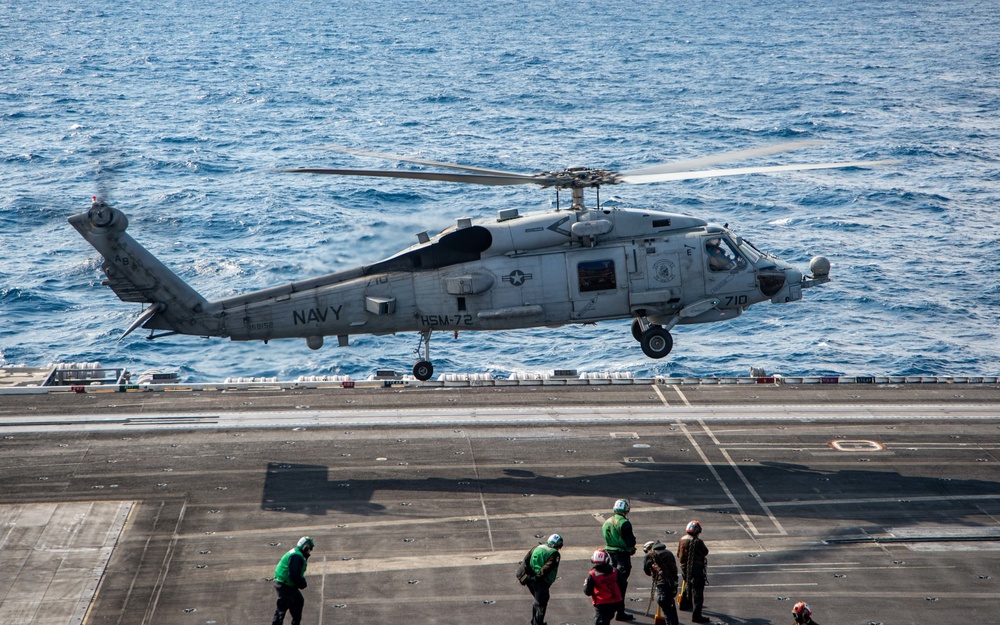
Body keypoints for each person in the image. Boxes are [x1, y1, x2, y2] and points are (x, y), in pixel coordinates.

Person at [601, 499, 636, 621]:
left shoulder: (606, 522)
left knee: (613, 580)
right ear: (626, 510)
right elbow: (631, 541)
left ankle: (614, 606)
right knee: (621, 583)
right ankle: (620, 612)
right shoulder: (625, 523)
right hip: (622, 554)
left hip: (611, 554)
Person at [271, 536, 314, 625]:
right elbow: (294, 575)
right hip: (285, 585)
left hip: (288, 584)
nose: (311, 551)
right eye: (310, 548)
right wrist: (302, 583)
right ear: (305, 547)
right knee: (281, 610)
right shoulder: (297, 556)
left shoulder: (297, 553)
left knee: (298, 602)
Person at [524, 533, 563, 625]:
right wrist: (537, 578)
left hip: (530, 579)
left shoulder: (537, 547)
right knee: (542, 603)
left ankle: (535, 621)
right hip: (540, 581)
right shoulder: (554, 553)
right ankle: (537, 623)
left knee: (538, 600)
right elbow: (547, 567)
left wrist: (528, 576)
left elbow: (526, 561)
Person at [677, 520, 710, 623]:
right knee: (698, 591)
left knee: (688, 583)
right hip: (696, 569)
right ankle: (697, 615)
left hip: (684, 567)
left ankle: (684, 603)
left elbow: (679, 553)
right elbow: (705, 551)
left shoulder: (682, 540)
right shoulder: (698, 542)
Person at [642, 541, 679, 625]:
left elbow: (646, 571)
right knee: (671, 605)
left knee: (665, 605)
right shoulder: (669, 553)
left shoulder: (649, 556)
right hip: (672, 583)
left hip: (662, 583)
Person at [584, 549, 622, 625]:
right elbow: (622, 584)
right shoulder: (615, 571)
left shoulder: (593, 574)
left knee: (600, 621)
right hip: (615, 601)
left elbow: (587, 591)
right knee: (607, 619)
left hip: (601, 603)